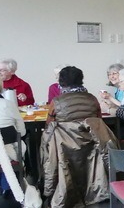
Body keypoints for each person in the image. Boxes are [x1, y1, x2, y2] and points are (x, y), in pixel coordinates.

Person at [42, 66, 117, 207]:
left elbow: (49, 126)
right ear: (81, 80)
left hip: (64, 149)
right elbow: (98, 122)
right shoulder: (92, 100)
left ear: (61, 82)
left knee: (46, 143)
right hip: (91, 146)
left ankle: (52, 188)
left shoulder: (57, 102)